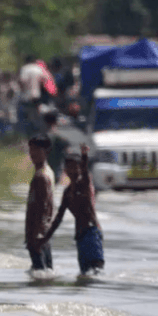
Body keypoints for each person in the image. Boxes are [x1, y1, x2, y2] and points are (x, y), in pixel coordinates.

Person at [38, 144, 105, 275]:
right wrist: (46, 237)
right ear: (65, 170)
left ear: (80, 168)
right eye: (68, 167)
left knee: (96, 271)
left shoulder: (85, 184)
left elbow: (86, 172)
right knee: (84, 273)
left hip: (92, 233)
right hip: (79, 236)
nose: (72, 170)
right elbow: (58, 218)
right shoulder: (67, 192)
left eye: (75, 166)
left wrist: (84, 155)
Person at [25, 135, 55, 272]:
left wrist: (37, 234)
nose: (33, 153)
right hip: (44, 233)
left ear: (47, 151)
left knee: (40, 272)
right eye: (31, 149)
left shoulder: (41, 176)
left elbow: (44, 207)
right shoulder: (47, 172)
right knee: (44, 272)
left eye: (37, 149)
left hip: (38, 233)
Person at [44, 112, 70, 185]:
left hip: (50, 159)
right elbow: (66, 147)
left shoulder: (45, 133)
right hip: (56, 159)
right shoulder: (58, 134)